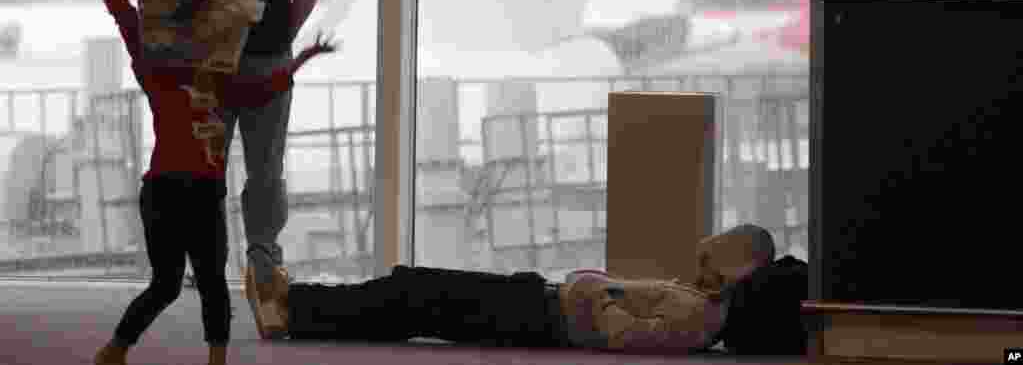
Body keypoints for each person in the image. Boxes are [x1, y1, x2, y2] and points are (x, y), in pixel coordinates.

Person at [69, 0, 337, 365]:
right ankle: (117, 351)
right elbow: (126, 20)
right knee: (181, 283)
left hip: (179, 192)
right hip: (178, 192)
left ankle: (162, 355)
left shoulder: (203, 79)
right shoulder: (173, 75)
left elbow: (263, 88)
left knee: (195, 283)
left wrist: (303, 57)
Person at [157, 0, 336, 337]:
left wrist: (203, 13)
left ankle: (202, 259)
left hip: (211, 59)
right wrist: (287, 29)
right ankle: (263, 262)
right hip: (269, 58)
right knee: (265, 168)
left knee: (203, 162)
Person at [256, 223, 808, 355]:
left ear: (742, 273)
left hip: (541, 318)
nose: (703, 252)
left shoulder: (699, 320)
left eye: (716, 252)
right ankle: (299, 304)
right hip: (539, 301)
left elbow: (624, 335)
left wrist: (600, 296)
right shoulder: (705, 307)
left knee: (412, 297)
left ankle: (294, 311)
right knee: (412, 290)